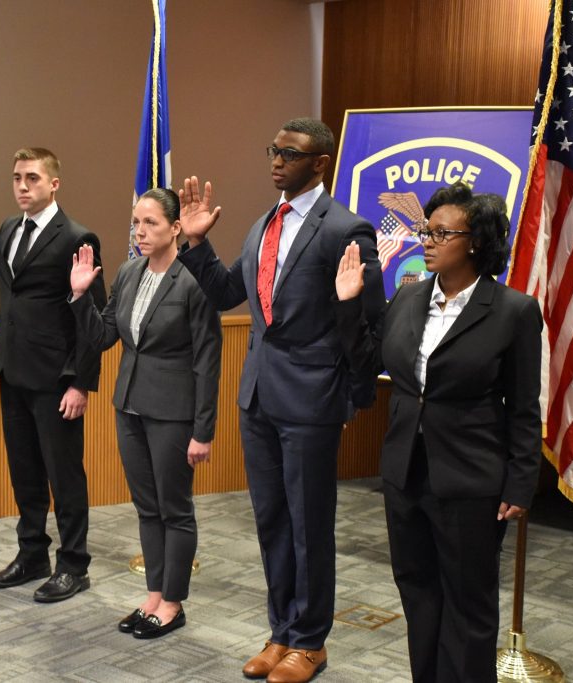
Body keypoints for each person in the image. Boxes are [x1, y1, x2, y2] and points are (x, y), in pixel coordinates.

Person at [176, 118, 386, 683]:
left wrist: (351, 398)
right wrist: (196, 242)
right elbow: (225, 294)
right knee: (270, 519)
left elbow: (368, 329)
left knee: (308, 523)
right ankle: (281, 632)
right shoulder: (265, 224)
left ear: (320, 163)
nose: (276, 160)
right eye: (273, 150)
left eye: (289, 154)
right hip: (259, 396)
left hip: (312, 400)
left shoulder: (347, 228)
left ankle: (311, 642)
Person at [334, 183, 542, 683]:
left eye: (441, 232)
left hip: (471, 478)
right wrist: (348, 306)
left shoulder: (512, 311)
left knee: (468, 605)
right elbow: (368, 366)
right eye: (426, 229)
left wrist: (520, 482)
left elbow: (523, 406)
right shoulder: (409, 297)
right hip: (406, 474)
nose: (427, 239)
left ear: (474, 241)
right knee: (419, 592)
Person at [0, 148, 106, 602]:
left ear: (54, 183)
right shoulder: (10, 228)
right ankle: (32, 552)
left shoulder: (76, 236)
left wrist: (80, 382)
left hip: (56, 377)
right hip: (13, 370)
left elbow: (90, 316)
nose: (21, 186)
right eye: (17, 177)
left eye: (32, 178)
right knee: (25, 472)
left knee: (64, 474)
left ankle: (74, 564)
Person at [68, 188, 222, 639]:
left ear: (176, 228)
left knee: (174, 509)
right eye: (136, 222)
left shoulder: (193, 280)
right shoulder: (130, 271)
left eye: (151, 223)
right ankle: (154, 593)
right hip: (129, 406)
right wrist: (81, 298)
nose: (140, 231)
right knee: (146, 506)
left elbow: (208, 361)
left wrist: (203, 430)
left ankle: (173, 602)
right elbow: (103, 337)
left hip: (174, 412)